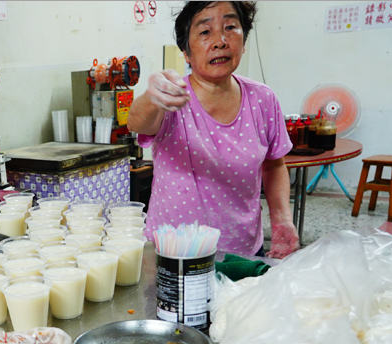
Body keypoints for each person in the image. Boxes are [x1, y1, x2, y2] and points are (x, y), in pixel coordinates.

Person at [127, 1, 299, 258]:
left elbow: (274, 164)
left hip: (242, 251)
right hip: (174, 253)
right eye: (205, 32)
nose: (220, 41)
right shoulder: (173, 97)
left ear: (244, 39)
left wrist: (282, 218)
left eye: (230, 27)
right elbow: (137, 122)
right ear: (186, 52)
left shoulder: (262, 99)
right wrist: (152, 97)